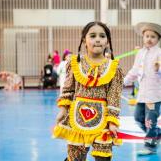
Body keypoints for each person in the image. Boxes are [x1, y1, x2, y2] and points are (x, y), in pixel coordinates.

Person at [52, 21, 124, 161]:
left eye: (102, 36)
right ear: (84, 40)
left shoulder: (114, 68)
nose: (97, 39)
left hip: (103, 121)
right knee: (75, 157)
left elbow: (114, 96)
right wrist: (63, 110)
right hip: (77, 119)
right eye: (92, 36)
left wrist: (113, 122)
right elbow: (68, 88)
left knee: (103, 157)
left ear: (107, 41)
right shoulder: (74, 63)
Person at [124, 22, 161, 155]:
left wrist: (158, 69)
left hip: (154, 95)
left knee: (150, 121)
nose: (149, 39)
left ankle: (150, 146)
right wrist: (123, 82)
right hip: (143, 94)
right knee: (138, 117)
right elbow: (134, 71)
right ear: (143, 37)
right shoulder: (140, 53)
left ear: (158, 39)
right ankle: (158, 133)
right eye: (147, 36)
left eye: (153, 37)